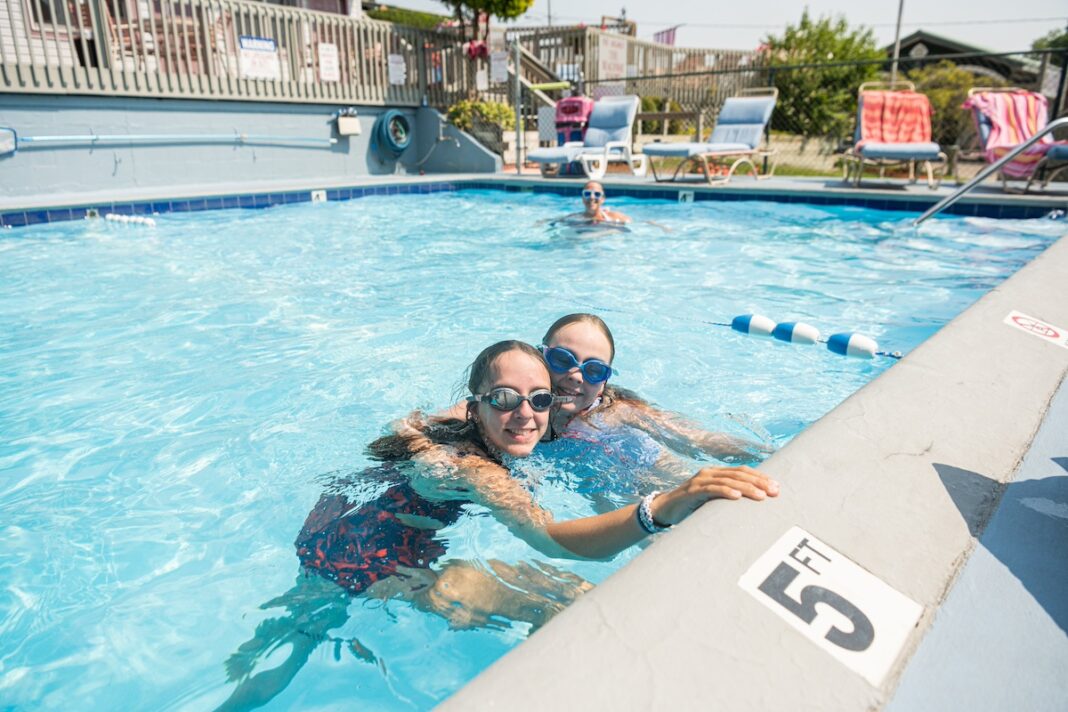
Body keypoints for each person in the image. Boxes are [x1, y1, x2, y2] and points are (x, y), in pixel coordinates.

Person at [218, 340, 777, 710]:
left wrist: (413, 443)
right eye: (505, 399)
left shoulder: (456, 436)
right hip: (372, 555)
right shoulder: (477, 469)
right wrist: (660, 506)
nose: (525, 413)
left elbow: (405, 427)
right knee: (566, 602)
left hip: (333, 529)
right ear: (475, 408)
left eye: (538, 399)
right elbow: (551, 541)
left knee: (293, 642)